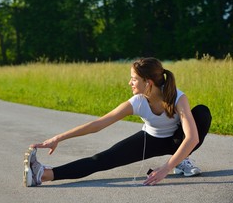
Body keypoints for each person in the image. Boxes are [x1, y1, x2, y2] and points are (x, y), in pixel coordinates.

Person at [23, 57, 211, 187]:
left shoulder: (178, 98)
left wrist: (166, 168)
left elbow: (192, 138)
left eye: (134, 79)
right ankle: (43, 175)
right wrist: (58, 138)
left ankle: (180, 160)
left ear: (148, 82)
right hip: (150, 140)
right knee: (101, 160)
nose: (130, 83)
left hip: (178, 141)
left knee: (202, 113)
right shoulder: (137, 102)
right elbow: (98, 125)